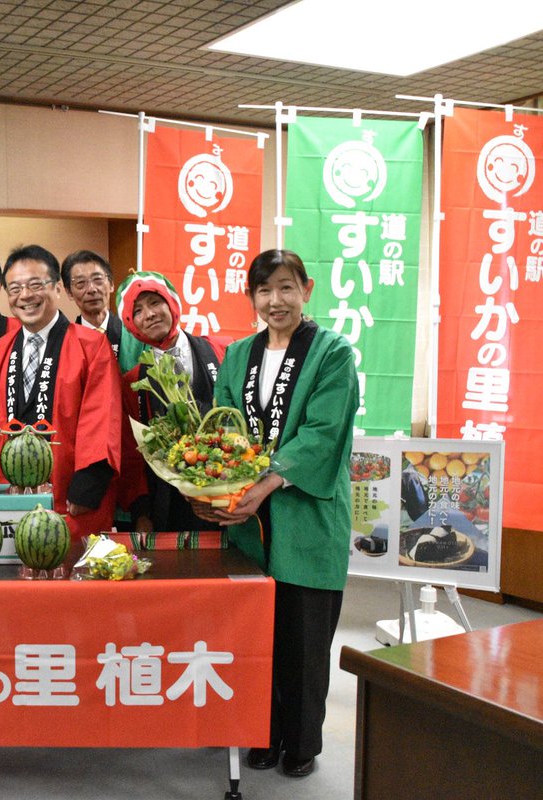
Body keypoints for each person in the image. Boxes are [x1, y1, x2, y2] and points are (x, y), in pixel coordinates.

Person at [190, 249, 359, 779]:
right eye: (264, 291)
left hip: (305, 513)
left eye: (286, 288)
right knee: (255, 633)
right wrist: (216, 488)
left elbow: (323, 432)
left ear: (306, 289)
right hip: (247, 518)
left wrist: (264, 484)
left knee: (304, 637)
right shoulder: (238, 354)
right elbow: (221, 430)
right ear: (252, 298)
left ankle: (302, 743)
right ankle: (260, 733)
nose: (275, 300)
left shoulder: (333, 352)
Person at [0, 244, 121, 540]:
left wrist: (88, 484)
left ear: (57, 288)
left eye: (35, 285)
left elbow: (102, 418)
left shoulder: (91, 346)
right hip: (12, 497)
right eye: (15, 288)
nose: (25, 296)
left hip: (72, 498)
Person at [116, 270, 228, 532]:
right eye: (139, 311)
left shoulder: (222, 350)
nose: (150, 314)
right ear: (131, 323)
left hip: (225, 495)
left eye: (155, 302)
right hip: (165, 505)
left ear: (172, 303)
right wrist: (141, 511)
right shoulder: (132, 383)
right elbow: (131, 453)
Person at [59, 249, 143, 373]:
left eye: (97, 279)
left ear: (111, 284)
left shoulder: (135, 334)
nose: (92, 289)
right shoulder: (64, 342)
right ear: (69, 292)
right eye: (81, 283)